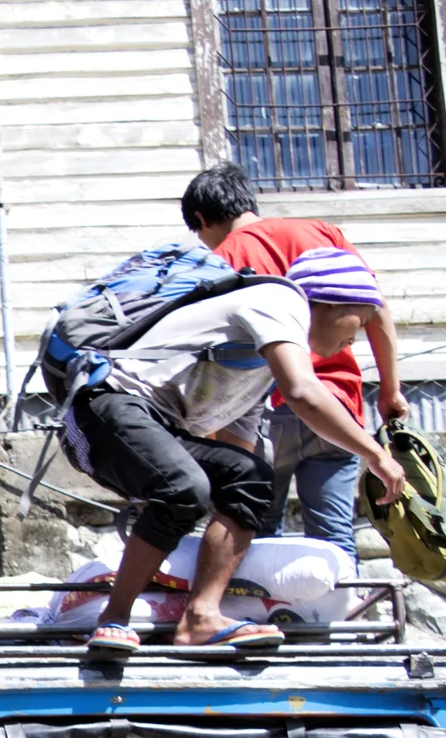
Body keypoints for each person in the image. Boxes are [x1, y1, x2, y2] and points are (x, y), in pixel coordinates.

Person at [68, 247, 408, 656]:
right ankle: (114, 619)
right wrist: (377, 454)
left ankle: (200, 617)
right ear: (330, 300)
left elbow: (236, 462)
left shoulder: (259, 370)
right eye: (362, 320)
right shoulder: (279, 300)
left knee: (252, 477)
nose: (355, 338)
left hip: (154, 427)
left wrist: (230, 510)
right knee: (184, 488)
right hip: (103, 409)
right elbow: (304, 394)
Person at [182, 163, 408, 557]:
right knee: (335, 536)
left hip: (264, 409)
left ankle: (266, 616)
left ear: (202, 219)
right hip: (339, 406)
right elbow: (377, 308)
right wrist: (391, 389)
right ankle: (333, 615)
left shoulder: (221, 260)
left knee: (255, 532)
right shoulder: (321, 232)